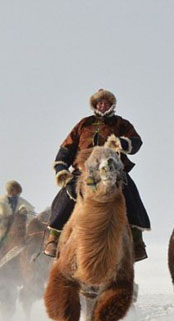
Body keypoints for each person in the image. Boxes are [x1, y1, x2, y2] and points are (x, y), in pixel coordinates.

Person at [44, 89, 151, 261]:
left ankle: (137, 241)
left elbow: (137, 142)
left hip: (113, 170)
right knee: (65, 196)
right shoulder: (83, 124)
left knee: (132, 196)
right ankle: (54, 238)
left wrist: (122, 143)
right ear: (95, 105)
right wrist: (62, 170)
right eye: (99, 103)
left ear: (111, 105)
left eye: (106, 103)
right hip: (84, 170)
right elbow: (66, 148)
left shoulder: (121, 123)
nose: (102, 105)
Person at [0, 180, 35, 260]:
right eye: (13, 189)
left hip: (20, 227)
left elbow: (31, 215)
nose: (15, 192)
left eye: (17, 190)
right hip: (5, 227)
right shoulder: (0, 202)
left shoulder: (23, 203)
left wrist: (24, 214)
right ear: (10, 190)